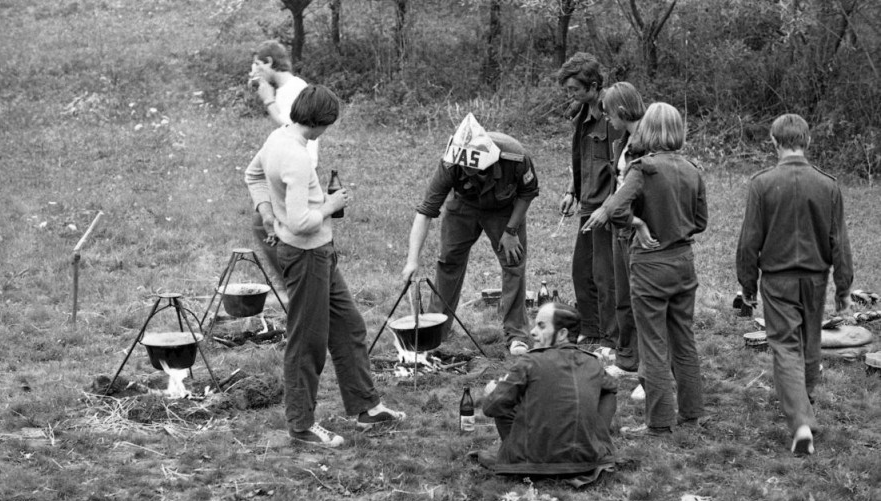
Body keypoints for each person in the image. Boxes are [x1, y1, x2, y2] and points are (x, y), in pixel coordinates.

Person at [245, 85, 404, 448]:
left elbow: (252, 175)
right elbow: (302, 221)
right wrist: (332, 204)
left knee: (349, 326)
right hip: (305, 255)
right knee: (308, 342)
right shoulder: (298, 159)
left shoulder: (277, 138)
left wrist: (267, 213)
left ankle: (366, 407)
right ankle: (301, 425)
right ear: (321, 124)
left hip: (320, 253)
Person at [735, 114, 854, 455]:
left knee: (786, 346)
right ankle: (806, 400)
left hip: (777, 279)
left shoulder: (762, 183)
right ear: (807, 142)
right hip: (816, 279)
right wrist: (843, 289)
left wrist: (748, 284)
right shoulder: (828, 185)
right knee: (809, 339)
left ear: (773, 142)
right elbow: (840, 243)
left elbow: (749, 242)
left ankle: (801, 421)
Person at [602, 102, 708, 436]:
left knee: (653, 344)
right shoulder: (692, 169)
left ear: (648, 129)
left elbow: (615, 209)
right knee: (684, 339)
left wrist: (639, 224)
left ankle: (659, 423)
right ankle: (692, 415)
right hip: (683, 263)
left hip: (650, 265)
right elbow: (701, 222)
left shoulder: (642, 168)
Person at [401, 113, 538, 355]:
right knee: (449, 261)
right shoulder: (450, 163)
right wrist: (412, 259)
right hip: (463, 206)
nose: (468, 172)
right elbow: (425, 212)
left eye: (475, 169)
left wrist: (511, 230)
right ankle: (436, 331)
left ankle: (517, 335)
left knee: (513, 261)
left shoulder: (515, 156)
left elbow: (528, 192)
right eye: (464, 169)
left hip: (504, 208)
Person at [480, 302, 617, 482]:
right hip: (587, 460)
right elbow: (612, 389)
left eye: (541, 326)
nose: (533, 332)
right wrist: (598, 436)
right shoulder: (594, 364)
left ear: (562, 334)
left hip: (531, 464)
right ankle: (591, 443)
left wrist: (492, 392)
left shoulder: (529, 361)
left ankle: (519, 454)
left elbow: (491, 408)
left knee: (503, 399)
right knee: (607, 392)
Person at [581, 82, 647, 378]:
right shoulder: (624, 141)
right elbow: (620, 186)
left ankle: (648, 368)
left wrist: (615, 212)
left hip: (637, 230)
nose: (606, 120)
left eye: (608, 114)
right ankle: (627, 359)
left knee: (640, 299)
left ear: (621, 110)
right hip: (621, 227)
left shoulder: (648, 142)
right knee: (622, 296)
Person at [556, 52, 620, 352]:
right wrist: (571, 190)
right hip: (587, 203)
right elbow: (583, 158)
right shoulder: (581, 113)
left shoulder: (613, 117)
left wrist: (610, 209)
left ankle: (612, 338)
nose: (571, 95)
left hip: (608, 209)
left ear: (594, 86)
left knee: (606, 276)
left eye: (575, 90)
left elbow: (624, 167)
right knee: (582, 271)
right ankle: (592, 330)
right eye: (567, 90)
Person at [248, 40, 318, 297]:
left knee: (273, 226)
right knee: (269, 224)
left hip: (298, 170)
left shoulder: (294, 88)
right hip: (289, 168)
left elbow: (290, 127)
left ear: (269, 62)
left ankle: (299, 287)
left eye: (257, 64)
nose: (255, 70)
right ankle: (297, 285)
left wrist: (267, 100)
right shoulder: (287, 89)